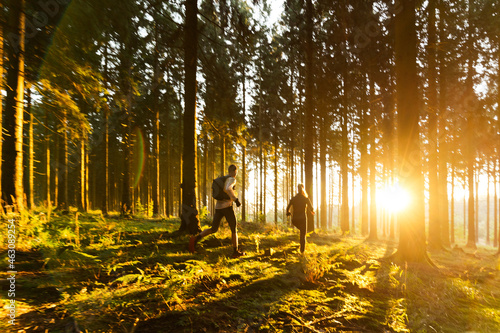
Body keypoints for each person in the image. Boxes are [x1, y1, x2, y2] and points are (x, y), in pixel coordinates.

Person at [189, 164, 245, 258]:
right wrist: (235, 199)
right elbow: (227, 188)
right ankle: (235, 251)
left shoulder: (223, 179)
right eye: (235, 172)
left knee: (214, 229)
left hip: (218, 207)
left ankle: (195, 240)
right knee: (233, 228)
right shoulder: (232, 179)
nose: (235, 174)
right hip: (227, 207)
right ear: (234, 171)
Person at [286, 184, 315, 254]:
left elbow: (288, 208)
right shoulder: (305, 198)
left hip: (295, 220)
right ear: (303, 189)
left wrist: (288, 213)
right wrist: (312, 211)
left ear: (298, 189)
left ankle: (301, 249)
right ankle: (302, 251)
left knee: (302, 232)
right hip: (302, 219)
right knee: (303, 234)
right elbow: (311, 207)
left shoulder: (293, 198)